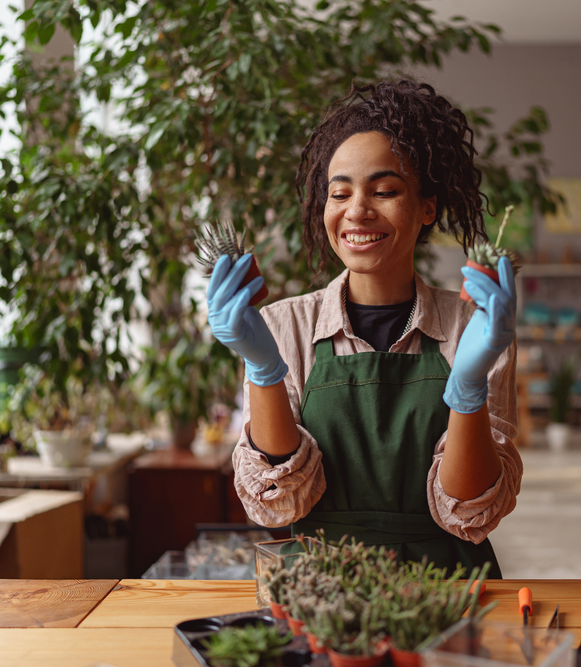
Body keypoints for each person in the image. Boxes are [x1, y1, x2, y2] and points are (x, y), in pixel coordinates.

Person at [206, 79, 521, 577]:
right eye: (340, 193)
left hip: (451, 588)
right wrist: (264, 369)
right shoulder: (283, 326)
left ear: (426, 207)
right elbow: (280, 505)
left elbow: (472, 511)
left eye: (385, 191)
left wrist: (468, 390)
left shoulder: (474, 329)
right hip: (323, 593)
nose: (357, 210)